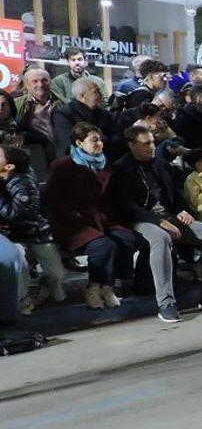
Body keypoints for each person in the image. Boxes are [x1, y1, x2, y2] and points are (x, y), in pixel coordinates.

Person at [110, 126, 202, 323]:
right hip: (140, 220)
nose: (152, 147)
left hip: (168, 217)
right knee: (161, 237)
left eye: (153, 142)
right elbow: (126, 206)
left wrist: (182, 210)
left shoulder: (160, 165)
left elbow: (175, 194)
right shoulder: (121, 169)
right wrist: (159, 221)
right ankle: (166, 302)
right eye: (146, 144)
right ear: (132, 145)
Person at [43, 122, 137, 310]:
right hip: (71, 223)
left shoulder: (104, 165)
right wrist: (75, 214)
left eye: (101, 140)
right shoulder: (64, 166)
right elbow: (51, 200)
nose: (100, 144)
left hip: (100, 220)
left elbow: (109, 198)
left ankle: (107, 286)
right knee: (103, 245)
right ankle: (94, 288)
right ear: (79, 142)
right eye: (94, 140)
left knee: (126, 238)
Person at [0, 144, 67, 308]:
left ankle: (48, 291)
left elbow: (16, 214)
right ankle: (20, 302)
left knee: (56, 274)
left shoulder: (24, 184)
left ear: (9, 166)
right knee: (18, 262)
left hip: (35, 233)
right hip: (11, 237)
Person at [52, 75, 118, 159]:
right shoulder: (64, 114)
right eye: (96, 92)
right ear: (82, 96)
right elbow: (69, 143)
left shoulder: (105, 114)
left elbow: (115, 137)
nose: (101, 95)